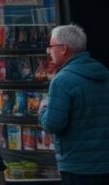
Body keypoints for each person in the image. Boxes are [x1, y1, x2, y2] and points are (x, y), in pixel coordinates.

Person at [38, 24, 109, 184]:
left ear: (63, 48)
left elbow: (53, 124)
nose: (49, 51)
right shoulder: (104, 73)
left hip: (77, 163)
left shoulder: (62, 81)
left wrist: (42, 110)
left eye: (51, 46)